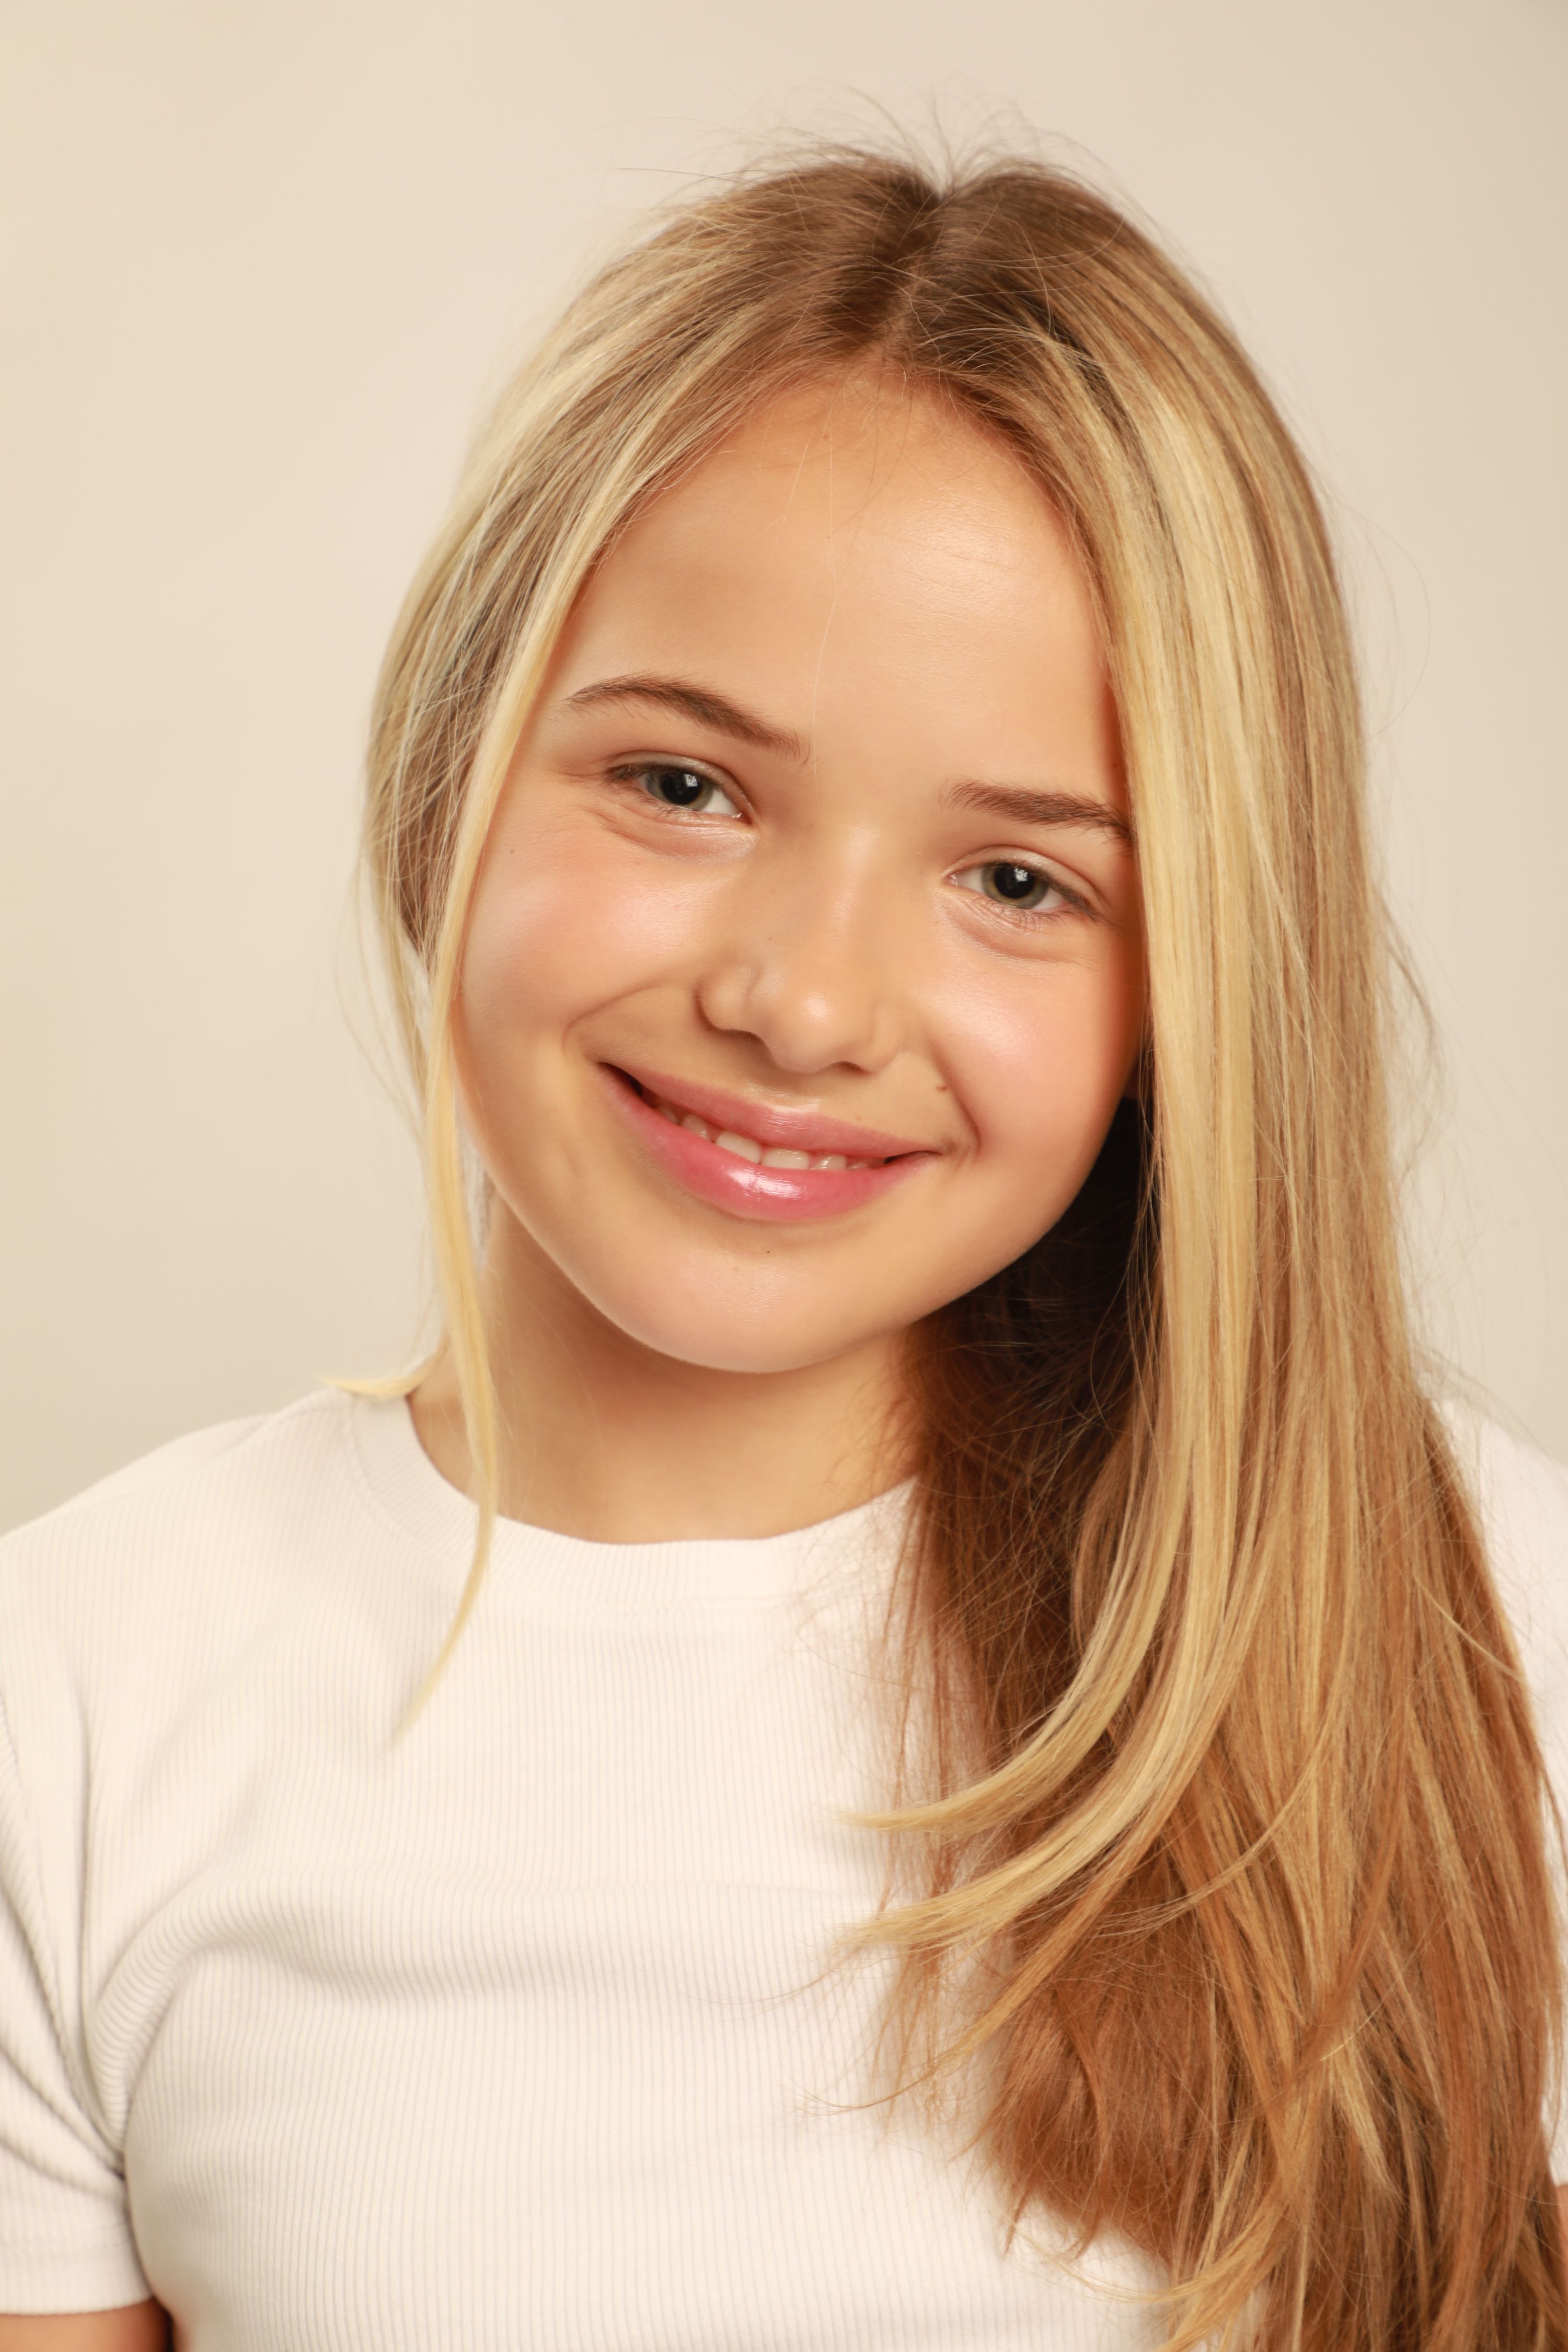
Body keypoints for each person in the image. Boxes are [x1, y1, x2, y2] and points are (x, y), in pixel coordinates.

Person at [2, 142, 1565, 2352]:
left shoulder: (1476, 1627)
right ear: (452, 769)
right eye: (684, 785)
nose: (805, 1004)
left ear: (1190, 997)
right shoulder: (72, 1702)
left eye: (1020, 882)